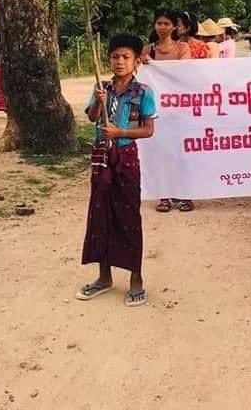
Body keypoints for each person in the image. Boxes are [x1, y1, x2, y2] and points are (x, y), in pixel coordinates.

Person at [78, 33, 157, 307]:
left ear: (136, 62)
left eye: (126, 57)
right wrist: (99, 102)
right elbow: (90, 117)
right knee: (100, 213)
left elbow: (148, 130)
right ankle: (103, 277)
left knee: (128, 215)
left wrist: (120, 131)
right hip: (101, 155)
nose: (119, 62)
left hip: (126, 156)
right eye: (115, 56)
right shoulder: (102, 87)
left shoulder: (144, 92)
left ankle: (136, 280)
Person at [142, 10, 194, 213]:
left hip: (179, 111)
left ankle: (186, 195)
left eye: (166, 23)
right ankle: (163, 196)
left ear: (175, 27)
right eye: (159, 23)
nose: (162, 27)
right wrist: (144, 61)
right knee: (160, 154)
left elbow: (184, 72)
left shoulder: (183, 48)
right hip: (156, 112)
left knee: (182, 154)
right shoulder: (147, 50)